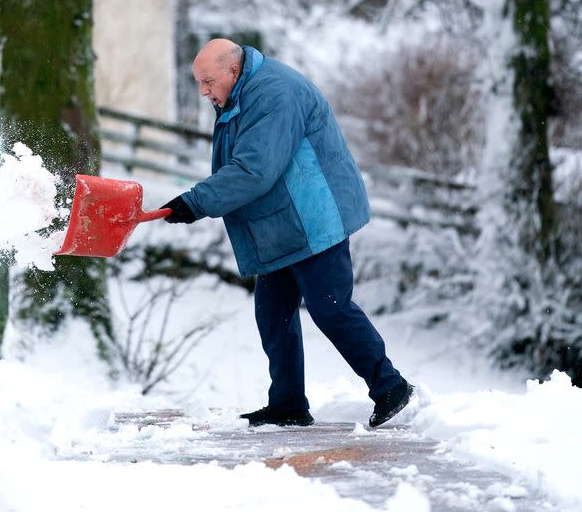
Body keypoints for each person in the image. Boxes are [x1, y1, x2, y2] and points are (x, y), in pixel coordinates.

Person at [160, 39, 414, 428]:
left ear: (232, 70)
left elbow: (254, 169)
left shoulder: (274, 93)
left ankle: (390, 386)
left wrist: (196, 202)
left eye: (208, 81)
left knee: (330, 307)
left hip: (315, 216)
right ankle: (288, 404)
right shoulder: (241, 92)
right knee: (273, 313)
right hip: (282, 222)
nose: (204, 92)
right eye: (199, 82)